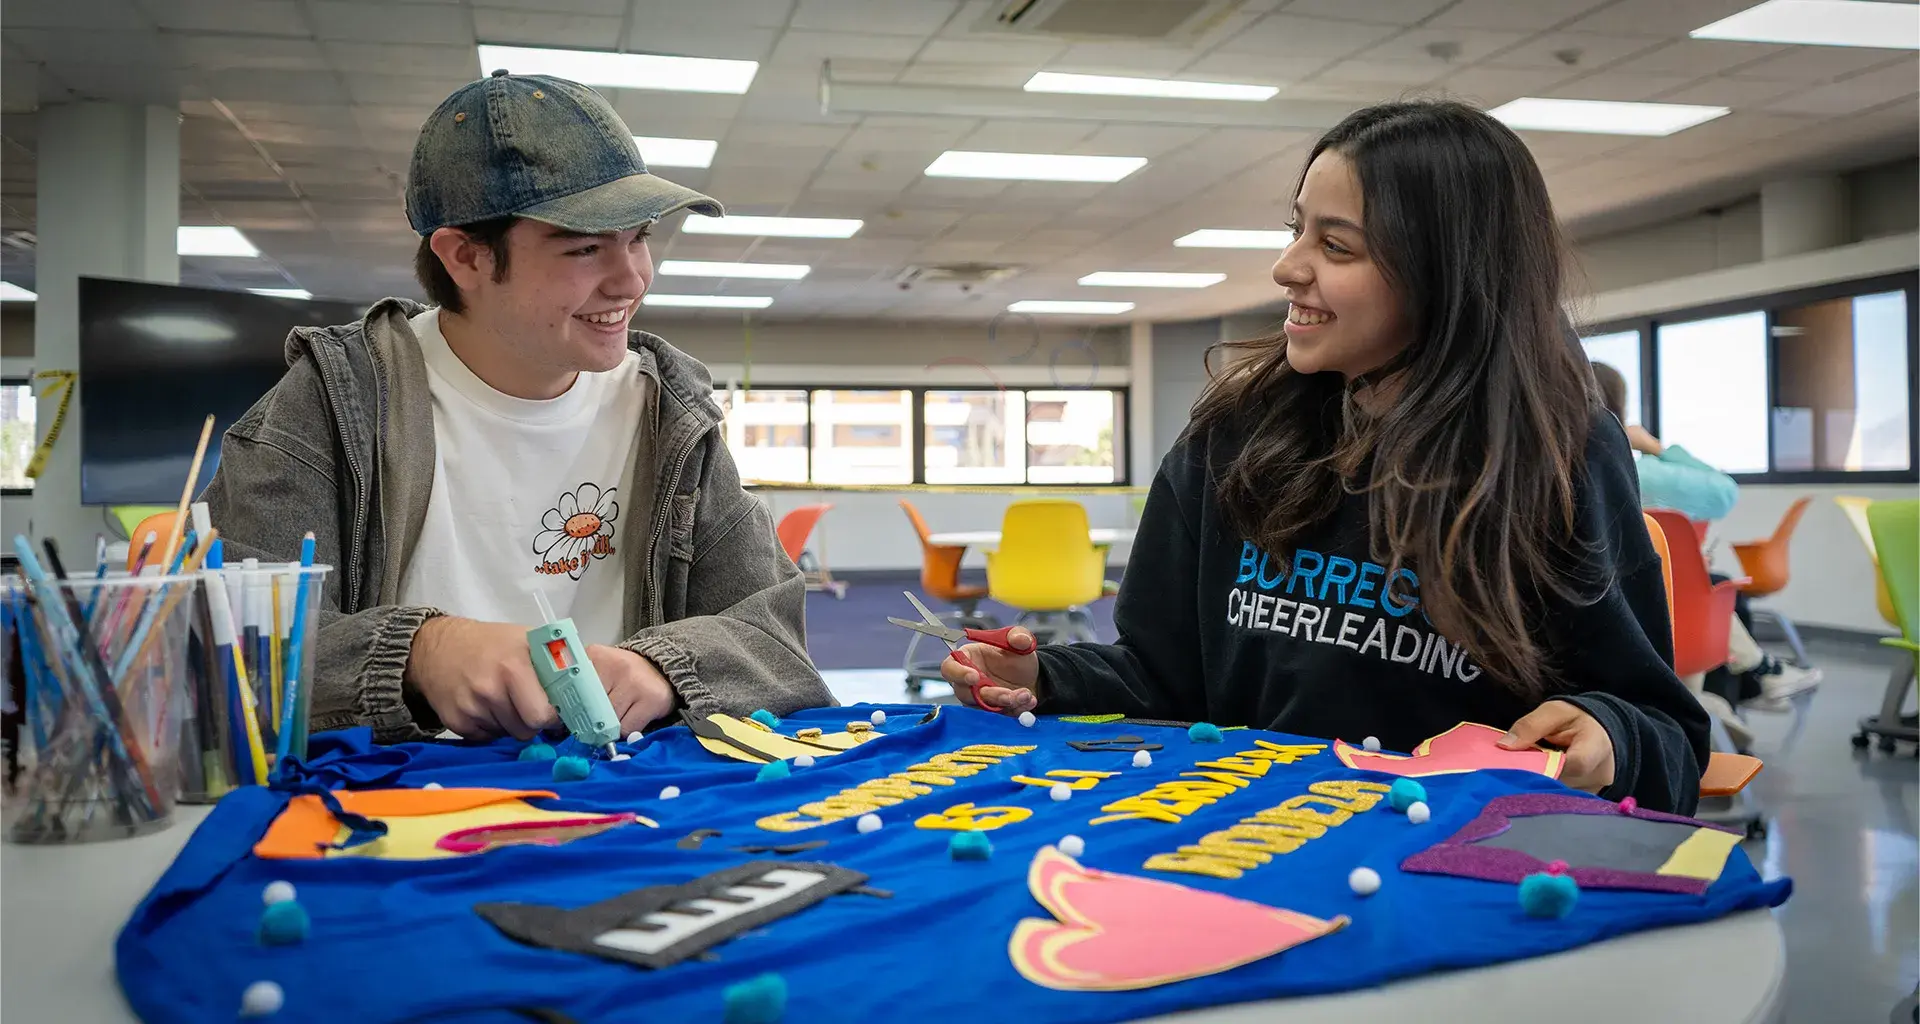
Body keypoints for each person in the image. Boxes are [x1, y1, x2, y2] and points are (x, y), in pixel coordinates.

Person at [942, 100, 1710, 814]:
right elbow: (1161, 677)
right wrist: (1045, 676)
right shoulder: (1231, 438)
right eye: (1297, 230)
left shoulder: (1561, 453)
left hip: (1453, 859)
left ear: (1446, 275)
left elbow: (1664, 734)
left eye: (1335, 245)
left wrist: (1608, 733)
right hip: (1239, 840)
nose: (1287, 266)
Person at [201, 71, 831, 744]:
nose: (632, 279)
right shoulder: (333, 403)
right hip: (399, 796)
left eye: (639, 238)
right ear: (465, 257)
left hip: (620, 792)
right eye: (585, 248)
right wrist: (417, 653)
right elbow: (228, 654)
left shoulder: (668, 410)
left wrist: (659, 669)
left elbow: (772, 638)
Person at [1590, 361, 1820, 731]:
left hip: (1604, 615)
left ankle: (1737, 688)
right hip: (1659, 614)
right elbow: (1724, 491)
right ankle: (1734, 690)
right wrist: (1655, 447)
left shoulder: (1557, 471)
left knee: (1710, 583)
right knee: (1711, 586)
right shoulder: (1641, 472)